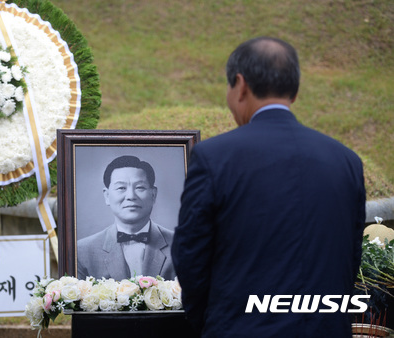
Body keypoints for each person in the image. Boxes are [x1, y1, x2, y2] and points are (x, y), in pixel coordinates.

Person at [172, 37, 365, 337]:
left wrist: (211, 322)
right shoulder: (346, 161)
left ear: (241, 84)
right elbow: (350, 260)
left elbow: (190, 256)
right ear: (294, 89)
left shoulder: (214, 157)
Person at [77, 155, 176, 280]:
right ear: (107, 196)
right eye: (121, 188)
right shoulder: (82, 251)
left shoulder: (181, 245)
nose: (131, 196)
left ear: (153, 194)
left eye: (139, 187)